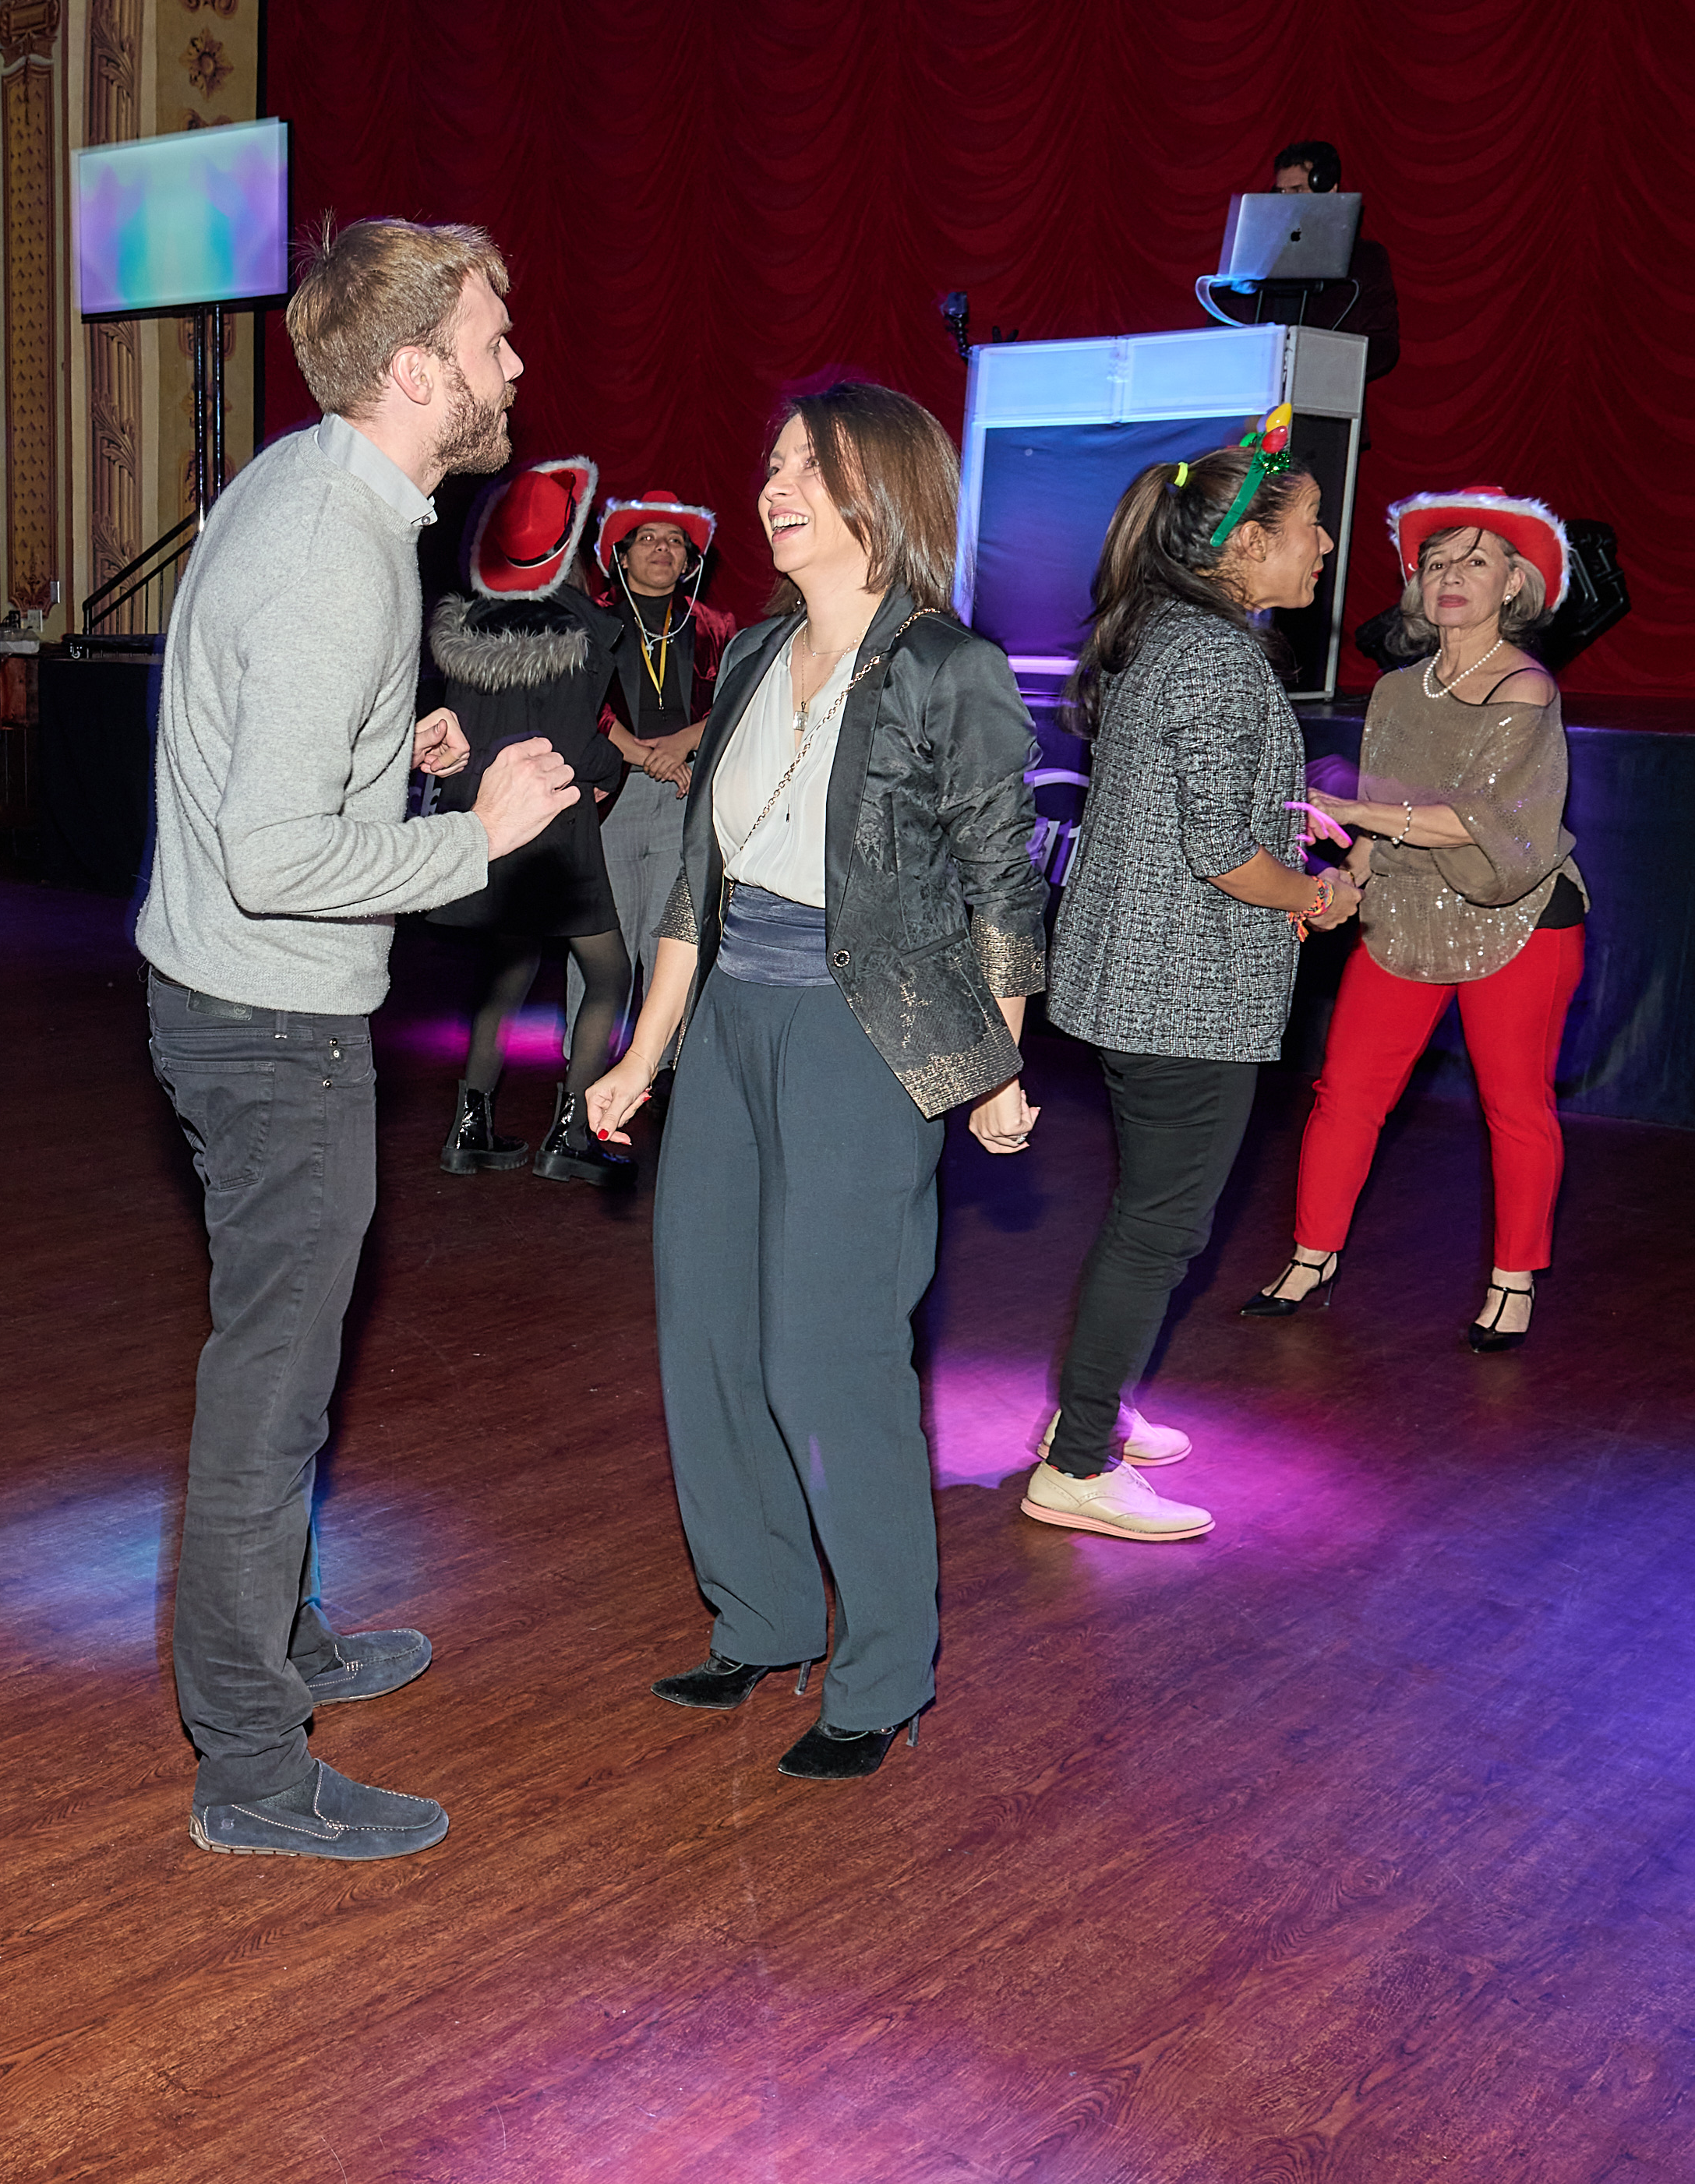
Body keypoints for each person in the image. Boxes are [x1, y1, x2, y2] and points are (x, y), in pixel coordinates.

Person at [139, 215, 577, 1859]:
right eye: (489, 342)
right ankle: (250, 1761)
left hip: (230, 999)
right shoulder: (337, 549)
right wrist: (474, 838)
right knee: (271, 1400)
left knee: (286, 1369)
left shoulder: (313, 485)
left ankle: (289, 1640)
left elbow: (259, 723)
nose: (513, 365)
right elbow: (273, 856)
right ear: (413, 371)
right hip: (270, 1022)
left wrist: (387, 748)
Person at [584, 381, 1047, 1783]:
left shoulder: (947, 667)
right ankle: (763, 1613)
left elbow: (1004, 884)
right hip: (729, 1016)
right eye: (775, 461)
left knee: (826, 1354)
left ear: (881, 494)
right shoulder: (748, 652)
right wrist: (643, 1051)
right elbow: (697, 879)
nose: (776, 486)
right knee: (708, 1333)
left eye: (812, 467)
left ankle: (884, 1671)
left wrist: (997, 1061)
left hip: (866, 1031)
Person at [1032, 412, 1355, 1542]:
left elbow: (1187, 809)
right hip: (1184, 993)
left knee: (1146, 1213)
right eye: (1311, 524)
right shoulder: (1216, 654)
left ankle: (1096, 1404)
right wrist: (1314, 893)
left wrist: (1287, 816)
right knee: (1160, 1227)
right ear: (1246, 541)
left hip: (1143, 979)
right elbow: (1219, 852)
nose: (1325, 546)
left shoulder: (1164, 631)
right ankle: (1076, 1462)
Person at [1245, 490, 1587, 1352]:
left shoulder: (1527, 688)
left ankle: (1513, 1279)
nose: (1451, 576)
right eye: (1436, 562)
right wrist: (1342, 879)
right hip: (1405, 911)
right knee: (1346, 1091)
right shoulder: (1398, 692)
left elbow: (1478, 819)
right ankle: (1312, 1254)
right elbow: (1384, 816)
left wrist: (1354, 811)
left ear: (1515, 583)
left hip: (1518, 918)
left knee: (1515, 1105)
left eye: (1476, 560)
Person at [422, 454, 635, 1186]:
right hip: (554, 836)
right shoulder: (579, 630)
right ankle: (572, 1135)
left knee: (507, 969)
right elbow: (575, 749)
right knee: (610, 975)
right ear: (570, 546)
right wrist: (614, 767)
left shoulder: (471, 624)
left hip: (488, 829)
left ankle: (468, 1129)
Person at [582, 490, 732, 1067]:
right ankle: (586, 1070)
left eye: (674, 541)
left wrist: (681, 745)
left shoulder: (715, 626)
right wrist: (645, 755)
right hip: (608, 793)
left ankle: (663, 1069)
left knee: (672, 939)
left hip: (685, 793)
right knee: (604, 938)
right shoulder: (590, 619)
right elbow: (585, 705)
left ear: (690, 561)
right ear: (621, 556)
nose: (662, 549)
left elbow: (735, 703)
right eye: (647, 538)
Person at [1209, 139, 1400, 383]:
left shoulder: (1364, 259)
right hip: (1255, 397)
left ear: (1329, 190)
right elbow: (1219, 326)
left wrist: (1322, 365)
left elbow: (1383, 346)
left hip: (1325, 397)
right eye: (1281, 192)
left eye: (1298, 191)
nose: (1286, 202)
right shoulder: (1256, 255)